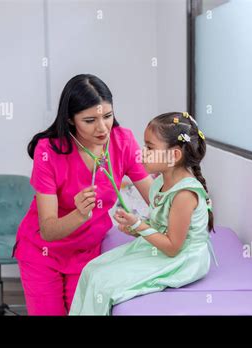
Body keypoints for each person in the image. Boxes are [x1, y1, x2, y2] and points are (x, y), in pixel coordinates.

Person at [13, 74, 152, 315]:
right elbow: (47, 229)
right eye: (89, 120)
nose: (102, 127)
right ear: (70, 119)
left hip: (86, 254)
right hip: (43, 254)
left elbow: (155, 196)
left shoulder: (123, 142)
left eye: (107, 116)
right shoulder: (49, 151)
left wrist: (185, 203)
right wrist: (79, 213)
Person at [69, 111, 216, 315]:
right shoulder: (159, 184)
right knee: (91, 270)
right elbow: (160, 226)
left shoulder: (184, 194)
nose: (142, 152)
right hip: (166, 248)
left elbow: (173, 248)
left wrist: (140, 226)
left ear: (174, 155)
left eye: (150, 147)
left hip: (183, 259)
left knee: (104, 283)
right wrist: (136, 227)